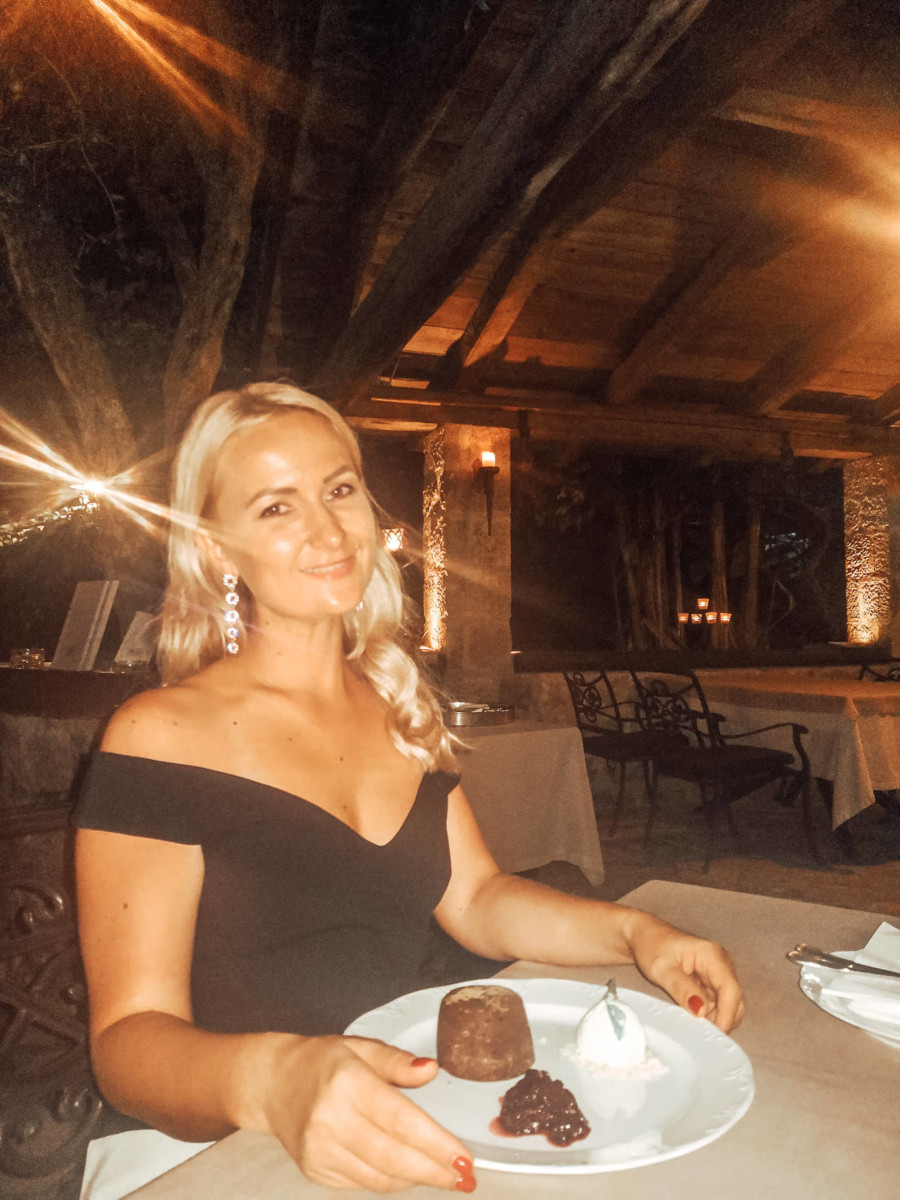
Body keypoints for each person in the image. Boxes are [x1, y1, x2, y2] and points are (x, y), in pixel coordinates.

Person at [74, 382, 745, 1198]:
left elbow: (479, 899)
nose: (328, 530)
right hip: (218, 1146)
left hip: (400, 1118)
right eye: (277, 507)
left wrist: (636, 933)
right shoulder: (159, 733)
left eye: (339, 489)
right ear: (217, 548)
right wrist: (277, 1078)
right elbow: (126, 1044)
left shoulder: (397, 706)